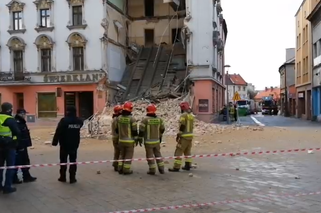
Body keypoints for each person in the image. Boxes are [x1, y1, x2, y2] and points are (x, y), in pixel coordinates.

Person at [52, 106, 83, 184]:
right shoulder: (79, 121)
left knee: (63, 161)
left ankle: (63, 177)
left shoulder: (64, 121)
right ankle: (72, 178)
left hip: (64, 144)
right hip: (74, 144)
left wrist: (54, 142)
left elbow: (58, 131)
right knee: (73, 161)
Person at [139, 103, 165, 175]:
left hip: (148, 142)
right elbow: (162, 129)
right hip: (157, 141)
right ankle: (161, 169)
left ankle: (152, 170)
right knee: (158, 154)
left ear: (147, 110)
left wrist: (140, 139)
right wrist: (159, 136)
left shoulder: (145, 120)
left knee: (150, 156)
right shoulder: (159, 120)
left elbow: (141, 131)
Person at [0, 102, 21, 194]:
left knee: (0, 167)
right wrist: (15, 142)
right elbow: (17, 133)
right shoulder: (10, 120)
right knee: (10, 167)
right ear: (9, 110)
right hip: (9, 147)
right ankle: (7, 186)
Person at [13, 109, 37, 184]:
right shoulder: (18, 122)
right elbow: (18, 135)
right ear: (21, 114)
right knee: (19, 162)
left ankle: (26, 176)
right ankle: (15, 178)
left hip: (23, 145)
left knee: (25, 161)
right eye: (24, 114)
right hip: (20, 146)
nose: (25, 116)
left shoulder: (21, 121)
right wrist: (20, 146)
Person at [169, 102, 194, 172]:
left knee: (178, 151)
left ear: (182, 108)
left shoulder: (183, 115)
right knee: (187, 151)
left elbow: (182, 125)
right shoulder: (191, 116)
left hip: (184, 137)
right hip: (190, 136)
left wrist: (179, 134)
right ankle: (188, 165)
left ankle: (176, 167)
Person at [115, 101, 138, 175]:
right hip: (129, 141)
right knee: (128, 156)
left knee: (122, 155)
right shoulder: (132, 119)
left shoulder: (118, 118)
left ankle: (120, 168)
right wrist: (136, 139)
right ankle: (126, 170)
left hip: (121, 140)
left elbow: (116, 130)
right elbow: (134, 131)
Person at [111, 105, 122, 171]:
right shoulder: (117, 119)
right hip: (117, 137)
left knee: (116, 152)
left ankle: (115, 164)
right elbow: (117, 129)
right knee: (120, 152)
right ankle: (118, 166)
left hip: (114, 137)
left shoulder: (114, 118)